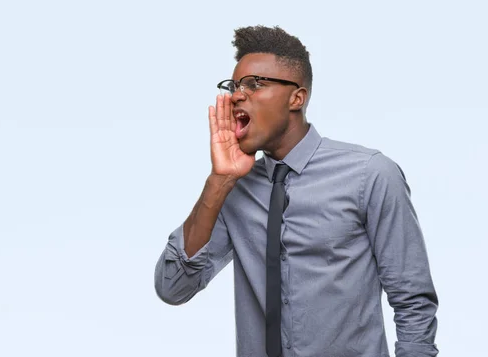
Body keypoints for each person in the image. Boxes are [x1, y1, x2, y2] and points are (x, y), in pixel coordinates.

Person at [154, 25, 439, 357]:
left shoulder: (370, 175)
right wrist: (219, 181)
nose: (236, 96)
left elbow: (413, 301)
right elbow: (172, 287)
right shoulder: (234, 189)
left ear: (297, 98)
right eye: (234, 86)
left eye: (254, 84)